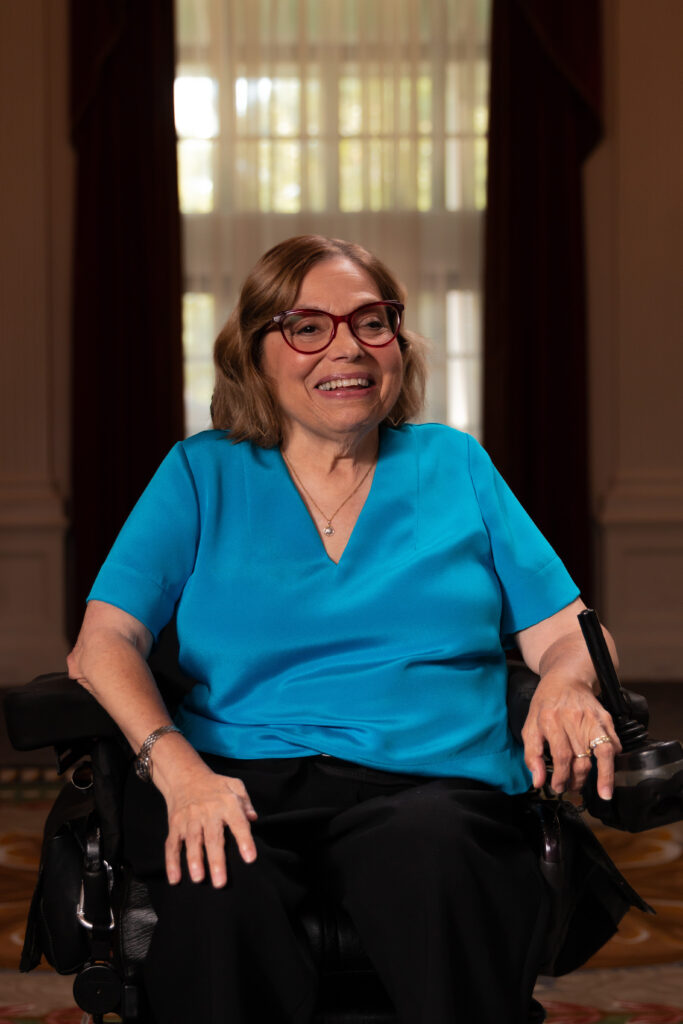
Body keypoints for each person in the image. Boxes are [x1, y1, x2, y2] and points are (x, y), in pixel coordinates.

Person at [67, 235, 621, 1024]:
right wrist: (177, 771)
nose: (348, 349)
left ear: (396, 343)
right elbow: (101, 644)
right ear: (256, 353)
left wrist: (565, 682)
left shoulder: (454, 465)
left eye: (371, 322)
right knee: (218, 878)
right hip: (231, 775)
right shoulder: (201, 473)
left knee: (436, 852)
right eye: (307, 326)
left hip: (433, 782)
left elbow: (569, 630)